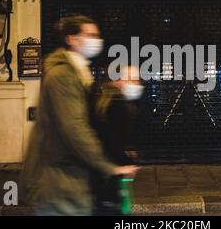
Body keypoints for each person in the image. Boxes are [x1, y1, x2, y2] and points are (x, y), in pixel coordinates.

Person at [21, 14, 138, 216]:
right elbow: (75, 128)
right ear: (72, 39)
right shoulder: (62, 75)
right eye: (90, 34)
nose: (96, 39)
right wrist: (108, 167)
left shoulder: (80, 72)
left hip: (74, 181)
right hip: (60, 182)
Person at [89, 65, 144, 215]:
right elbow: (115, 144)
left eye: (137, 80)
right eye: (131, 80)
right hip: (110, 175)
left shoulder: (102, 100)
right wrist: (127, 164)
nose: (136, 84)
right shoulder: (121, 106)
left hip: (98, 176)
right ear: (117, 81)